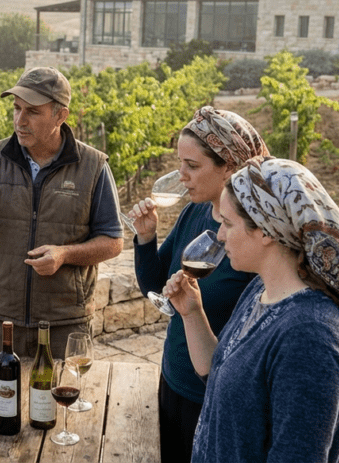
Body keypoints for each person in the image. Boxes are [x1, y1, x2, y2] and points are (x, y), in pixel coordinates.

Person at [166, 156, 339, 463]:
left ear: (266, 231)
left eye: (228, 224)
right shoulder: (261, 290)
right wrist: (192, 314)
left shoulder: (310, 338)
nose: (219, 235)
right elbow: (217, 376)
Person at [0, 66, 122, 358]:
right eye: (16, 108)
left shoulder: (93, 166)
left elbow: (114, 242)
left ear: (60, 116)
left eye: (33, 112)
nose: (20, 120)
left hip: (65, 324)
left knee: (57, 403)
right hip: (1, 321)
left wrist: (64, 255)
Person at [125, 106, 269, 463]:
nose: (182, 175)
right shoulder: (197, 212)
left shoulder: (255, 241)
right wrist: (145, 238)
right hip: (172, 379)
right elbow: (156, 288)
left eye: (192, 166)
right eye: (180, 163)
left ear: (230, 168)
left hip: (210, 397)